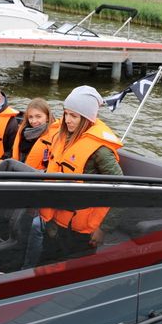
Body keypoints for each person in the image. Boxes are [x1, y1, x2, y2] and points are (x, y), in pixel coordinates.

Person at [38, 85, 124, 264]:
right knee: (44, 268)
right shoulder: (63, 137)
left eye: (74, 116)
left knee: (70, 274)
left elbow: (122, 191)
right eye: (66, 113)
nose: (67, 120)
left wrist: (104, 228)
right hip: (55, 222)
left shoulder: (100, 151)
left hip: (79, 232)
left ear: (86, 118)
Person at [12, 98, 59, 170]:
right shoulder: (23, 132)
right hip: (18, 173)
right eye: (30, 117)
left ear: (47, 117)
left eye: (38, 116)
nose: (34, 121)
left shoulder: (56, 137)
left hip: (39, 177)